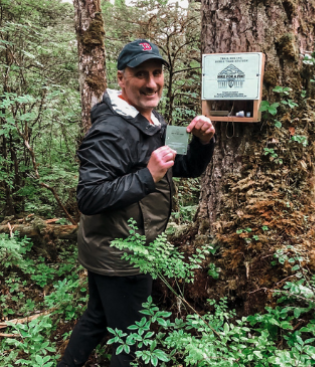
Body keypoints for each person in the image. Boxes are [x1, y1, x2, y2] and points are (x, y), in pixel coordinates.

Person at [57, 39, 215, 367]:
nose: (152, 82)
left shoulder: (154, 120)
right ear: (122, 79)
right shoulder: (109, 131)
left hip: (109, 247)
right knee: (130, 343)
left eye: (157, 73)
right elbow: (88, 196)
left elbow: (186, 167)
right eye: (141, 74)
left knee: (97, 318)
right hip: (122, 255)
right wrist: (148, 175)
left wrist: (203, 143)